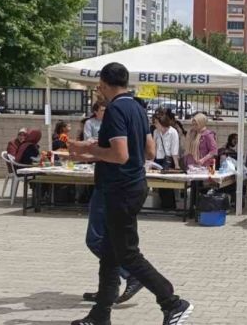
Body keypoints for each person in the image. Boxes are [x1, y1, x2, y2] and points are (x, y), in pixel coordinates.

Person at [68, 62, 192, 325]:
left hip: (119, 189)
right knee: (110, 255)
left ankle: (173, 302)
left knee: (127, 254)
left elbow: (119, 154)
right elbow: (149, 151)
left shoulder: (114, 110)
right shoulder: (137, 107)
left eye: (99, 86)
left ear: (103, 84)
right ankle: (100, 316)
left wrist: (87, 150)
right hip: (134, 185)